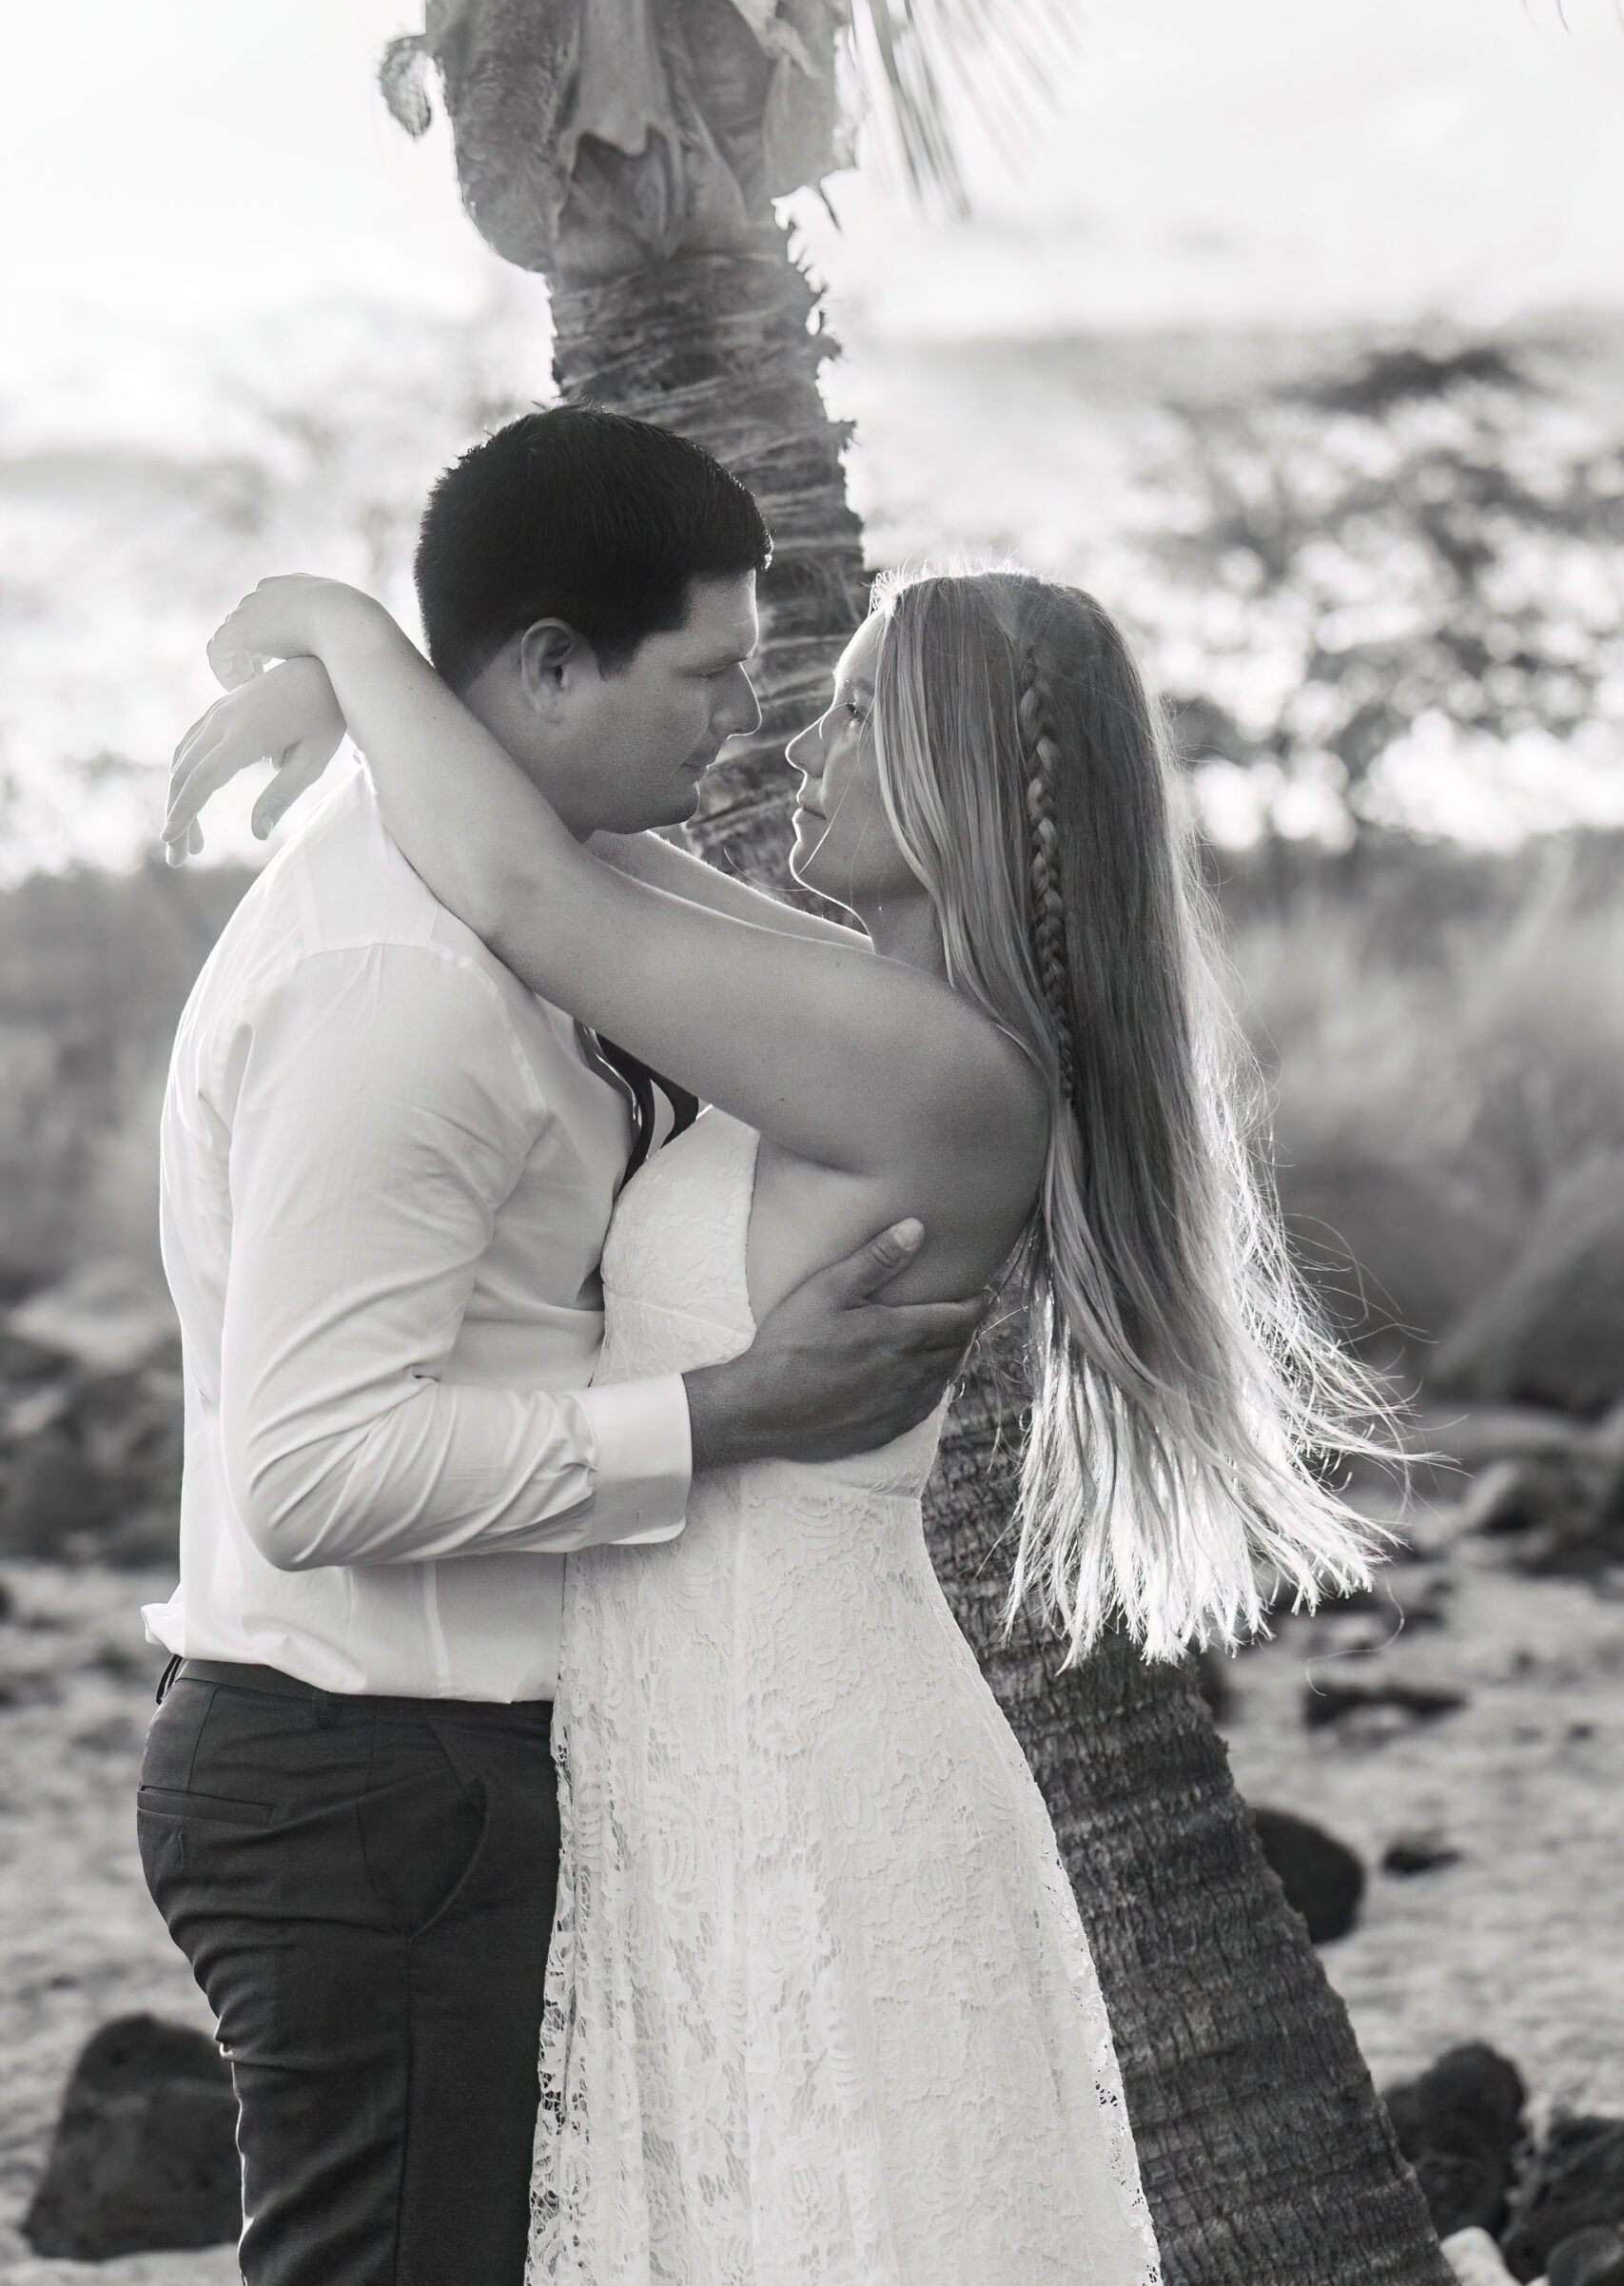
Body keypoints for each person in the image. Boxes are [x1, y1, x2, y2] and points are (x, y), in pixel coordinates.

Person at [169, 480, 1387, 2286]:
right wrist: (378, 700)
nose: (793, 729)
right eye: (761, 684)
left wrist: (349, 632)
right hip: (698, 1711)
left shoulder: (929, 1068)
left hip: (787, 1724)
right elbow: (541, 840)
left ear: (955, 785)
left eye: (855, 709)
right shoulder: (856, 1004)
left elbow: (519, 888)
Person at [141, 409, 987, 2286]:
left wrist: (363, 674)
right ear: (544, 664)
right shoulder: (402, 986)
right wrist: (726, 1411)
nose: (735, 727)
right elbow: (314, 1475)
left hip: (446, 1767)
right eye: (703, 675)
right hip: (375, 1773)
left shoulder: (535, 899)